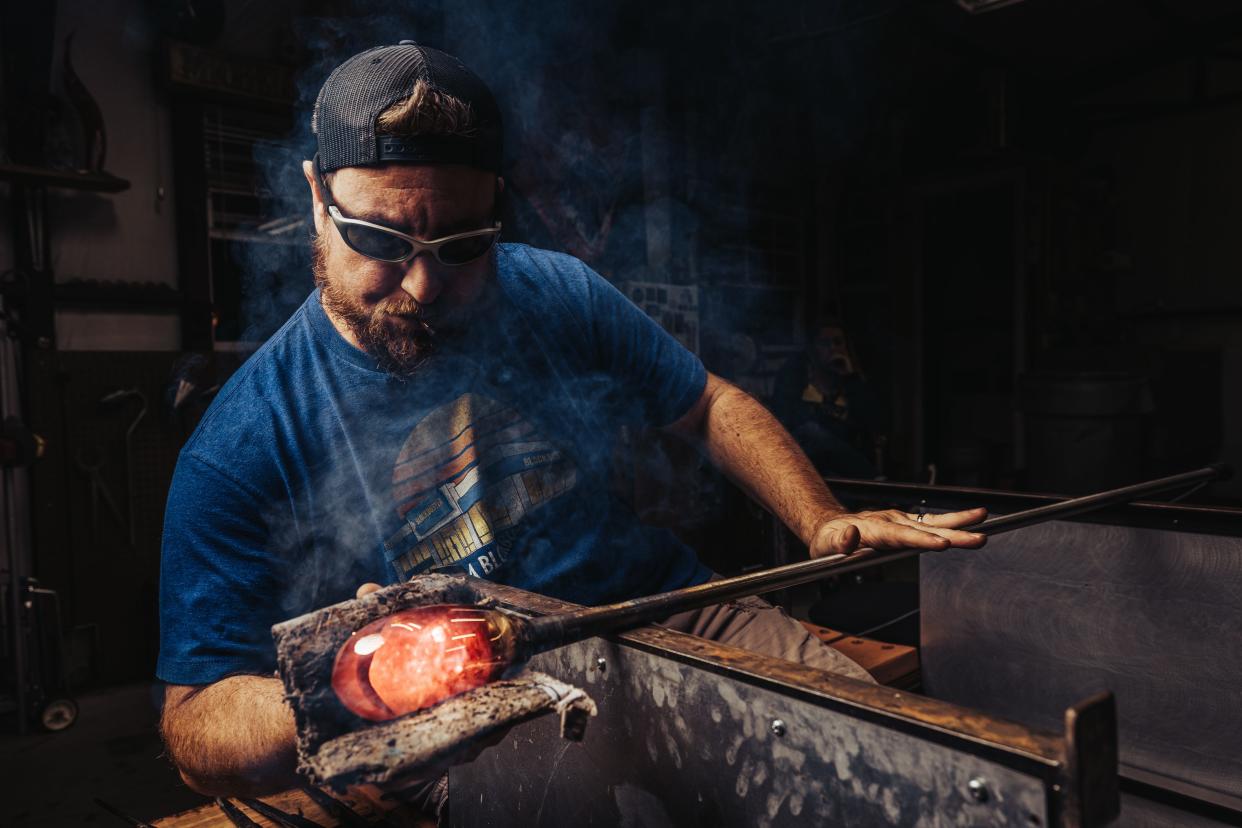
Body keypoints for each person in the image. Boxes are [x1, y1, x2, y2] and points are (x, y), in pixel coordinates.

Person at [156, 42, 985, 805]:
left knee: (896, 767)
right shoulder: (239, 446)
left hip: (662, 615)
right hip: (465, 712)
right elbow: (195, 725)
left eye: (460, 245)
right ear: (315, 198)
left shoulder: (556, 290)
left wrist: (818, 515)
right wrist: (350, 691)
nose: (421, 285)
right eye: (381, 238)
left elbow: (707, 404)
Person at [772, 319, 888, 478]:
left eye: (838, 343)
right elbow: (786, 418)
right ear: (813, 349)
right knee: (813, 432)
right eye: (825, 344)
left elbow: (873, 425)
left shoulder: (852, 383)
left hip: (844, 466)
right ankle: (874, 480)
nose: (833, 349)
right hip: (806, 461)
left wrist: (850, 378)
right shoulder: (796, 377)